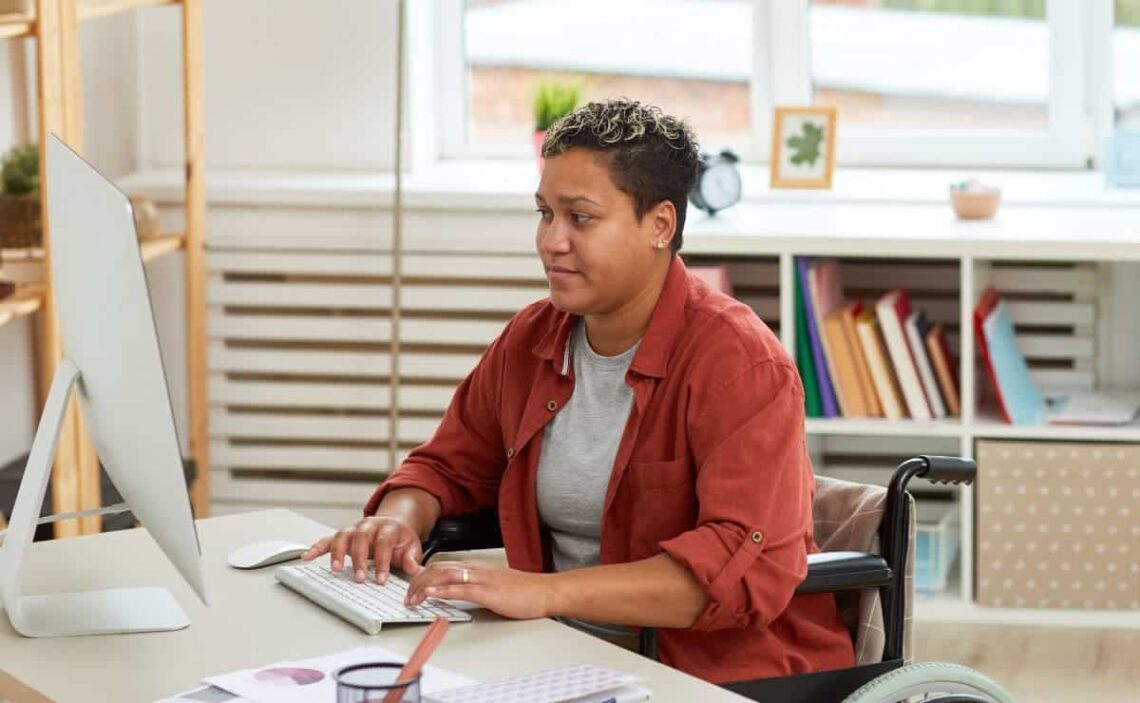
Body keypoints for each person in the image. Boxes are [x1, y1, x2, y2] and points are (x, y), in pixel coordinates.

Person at [303, 98, 856, 684]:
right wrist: (398, 520)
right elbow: (447, 465)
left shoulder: (740, 364)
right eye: (545, 214)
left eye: (580, 218)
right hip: (568, 652)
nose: (551, 241)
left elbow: (735, 568)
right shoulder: (532, 337)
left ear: (660, 225)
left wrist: (543, 593)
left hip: (719, 671)